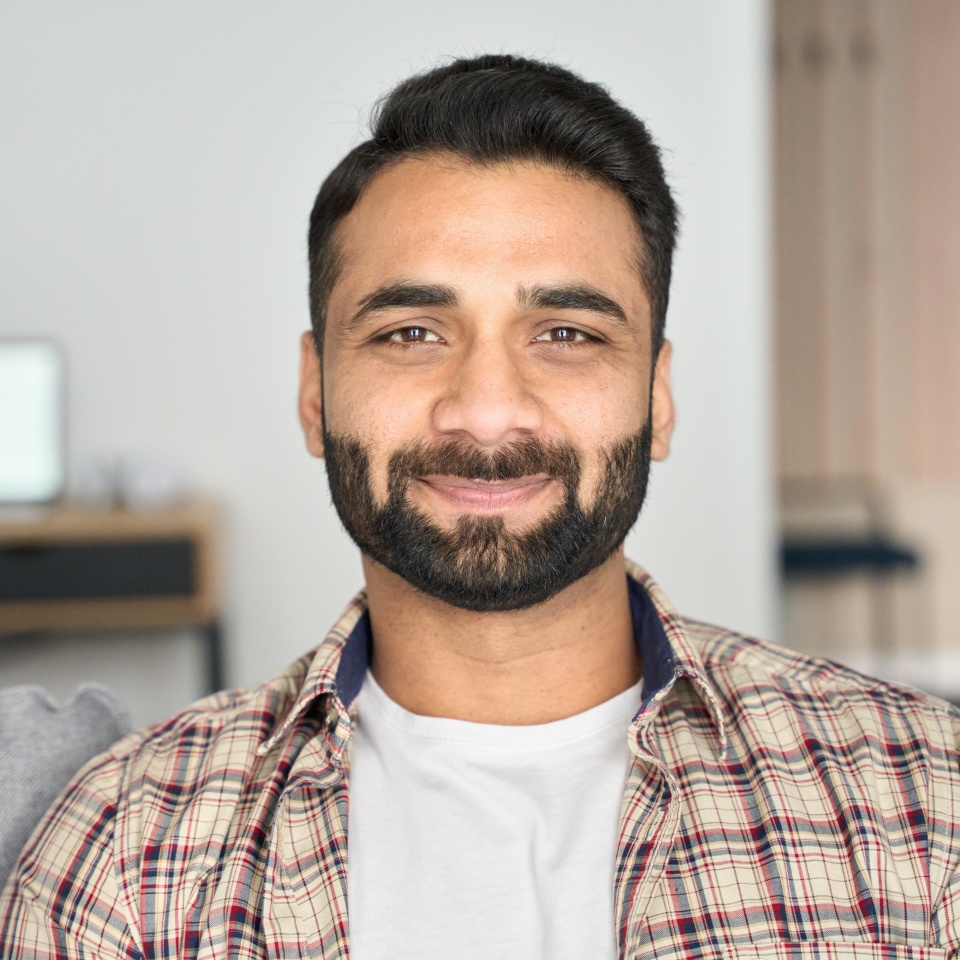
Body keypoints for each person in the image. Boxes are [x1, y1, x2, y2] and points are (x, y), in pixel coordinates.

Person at [2, 53, 960, 960]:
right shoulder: (127, 852)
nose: (488, 408)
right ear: (314, 392)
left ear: (658, 397)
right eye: (412, 331)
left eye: (567, 333)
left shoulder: (922, 806)